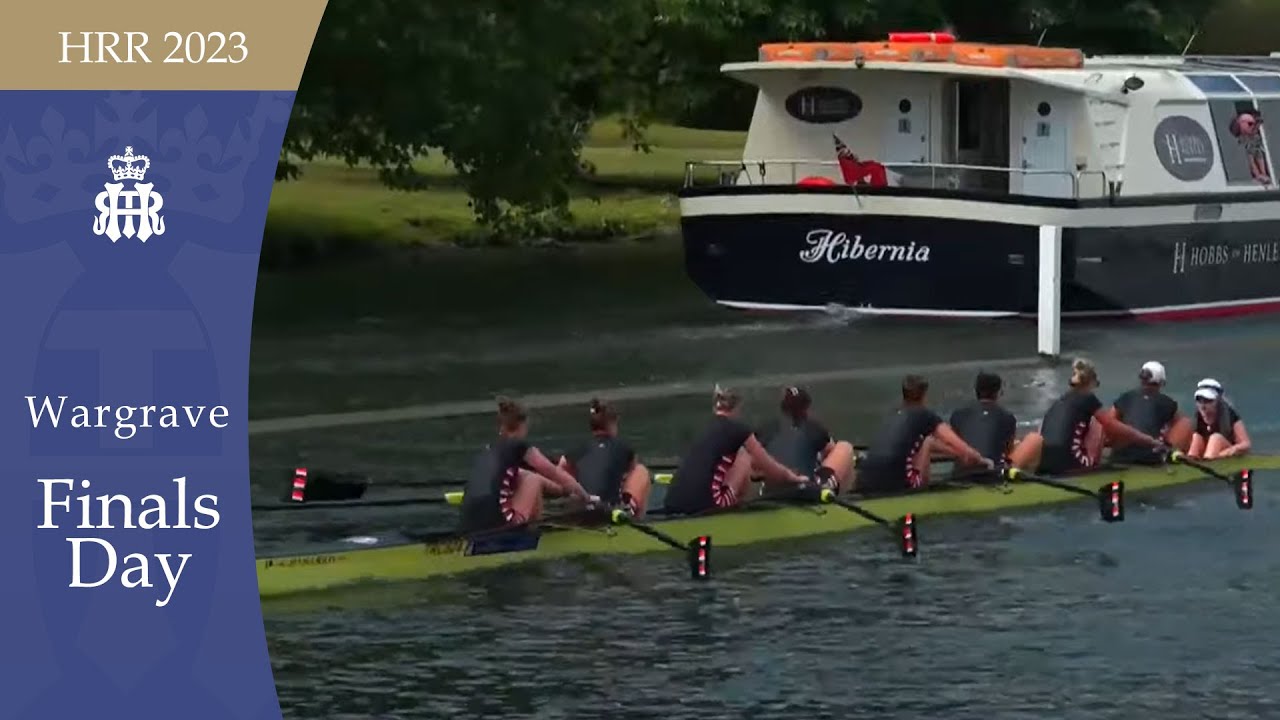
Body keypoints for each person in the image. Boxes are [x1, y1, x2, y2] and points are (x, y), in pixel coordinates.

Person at [459, 397, 598, 533]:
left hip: (468, 525)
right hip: (499, 525)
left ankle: (557, 502)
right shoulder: (519, 446)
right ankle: (533, 534)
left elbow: (527, 476)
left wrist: (565, 491)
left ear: (501, 427)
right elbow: (555, 473)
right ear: (523, 425)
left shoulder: (487, 451)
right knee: (533, 480)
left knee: (527, 477)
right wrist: (586, 497)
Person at [664, 386, 809, 515]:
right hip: (707, 506)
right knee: (744, 456)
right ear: (739, 406)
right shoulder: (738, 430)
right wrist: (792, 477)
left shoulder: (705, 427)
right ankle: (742, 511)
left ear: (715, 406)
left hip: (672, 502)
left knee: (735, 457)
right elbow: (767, 465)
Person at [1016, 359, 1164, 475]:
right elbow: (1113, 426)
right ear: (1091, 382)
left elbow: (1043, 429)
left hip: (1044, 461)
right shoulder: (1088, 398)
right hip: (1069, 464)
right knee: (1098, 423)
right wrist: (1148, 440)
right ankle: (1095, 464)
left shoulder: (1061, 399)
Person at [855, 374, 992, 494]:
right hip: (897, 485)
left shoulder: (893, 415)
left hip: (864, 480)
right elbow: (955, 443)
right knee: (927, 442)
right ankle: (921, 488)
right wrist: (980, 460)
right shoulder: (924, 414)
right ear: (924, 395)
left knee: (927, 442)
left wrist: (957, 454)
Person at [559, 399, 652, 517]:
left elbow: (560, 468)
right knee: (641, 471)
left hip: (580, 509)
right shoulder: (624, 447)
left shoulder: (578, 448)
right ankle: (636, 515)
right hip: (609, 510)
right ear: (613, 423)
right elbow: (631, 470)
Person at [756, 386, 857, 494]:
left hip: (771, 492)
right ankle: (843, 493)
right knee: (844, 447)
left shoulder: (766, 428)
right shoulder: (813, 427)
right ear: (806, 408)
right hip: (806, 489)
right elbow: (831, 451)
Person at [948, 371, 1036, 472]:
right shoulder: (1007, 417)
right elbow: (1008, 452)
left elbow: (953, 445)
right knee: (1034, 439)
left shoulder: (957, 414)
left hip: (960, 473)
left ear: (976, 390)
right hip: (991, 474)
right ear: (998, 392)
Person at [1107, 361, 1193, 464]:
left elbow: (1108, 422)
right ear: (1161, 382)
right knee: (1185, 422)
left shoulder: (1125, 397)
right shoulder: (1167, 402)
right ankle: (1174, 453)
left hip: (1120, 455)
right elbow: (1183, 425)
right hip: (1151, 457)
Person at [1188, 378, 1251, 459]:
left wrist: (1227, 452)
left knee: (1216, 438)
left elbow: (1246, 444)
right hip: (1207, 451)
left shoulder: (1230, 415)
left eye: (1208, 401)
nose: (1202, 406)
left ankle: (1209, 460)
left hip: (1225, 450)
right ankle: (1192, 459)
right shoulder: (1198, 416)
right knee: (1196, 437)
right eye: (1199, 400)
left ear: (1218, 401)